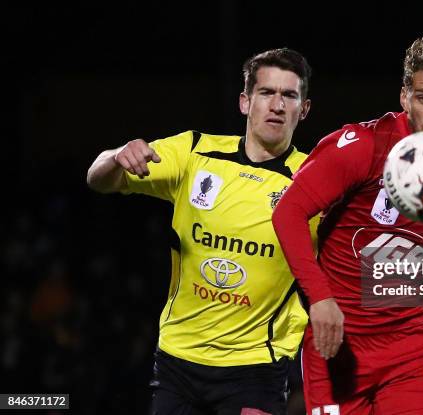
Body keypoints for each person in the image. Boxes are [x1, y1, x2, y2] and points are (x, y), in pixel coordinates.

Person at [87, 48, 315, 415]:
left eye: (289, 95)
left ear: (303, 109)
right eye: (266, 93)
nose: (277, 105)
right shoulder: (195, 152)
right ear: (245, 102)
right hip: (179, 359)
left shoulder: (315, 180)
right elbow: (98, 179)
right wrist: (116, 157)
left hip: (256, 368)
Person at [272, 34, 423, 414]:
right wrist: (320, 298)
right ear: (404, 98)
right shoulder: (363, 148)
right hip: (338, 349)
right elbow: (288, 212)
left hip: (414, 351)